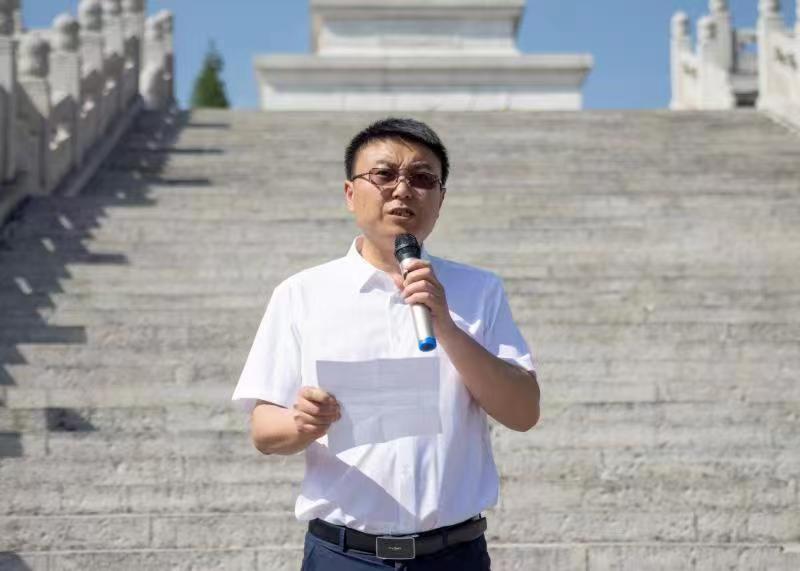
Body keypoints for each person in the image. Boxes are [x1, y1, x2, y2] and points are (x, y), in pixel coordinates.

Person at [231, 117, 540, 570]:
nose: (403, 189)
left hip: (453, 555)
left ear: (440, 199)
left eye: (422, 178)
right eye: (384, 174)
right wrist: (302, 423)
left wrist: (447, 326)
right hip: (344, 555)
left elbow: (524, 411)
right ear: (350, 193)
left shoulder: (479, 291)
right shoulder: (301, 294)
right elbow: (263, 430)